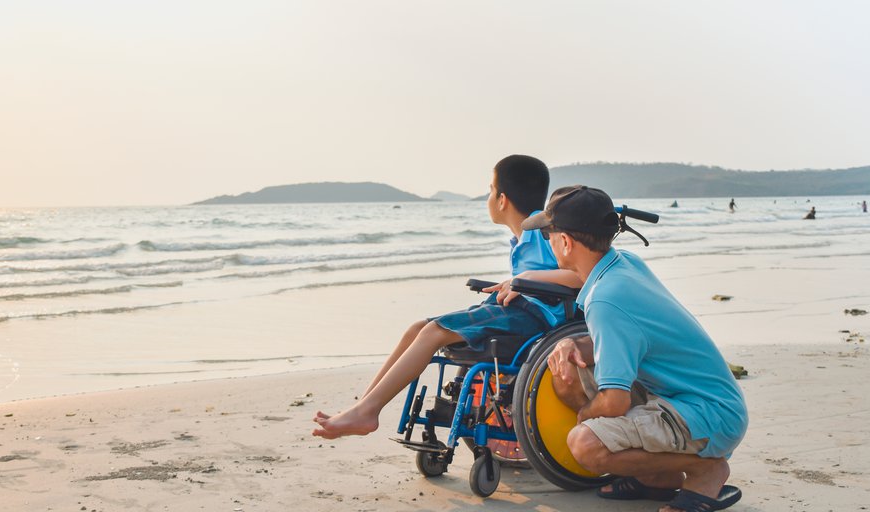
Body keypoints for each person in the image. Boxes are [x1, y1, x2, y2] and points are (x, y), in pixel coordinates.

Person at [311, 155, 583, 439]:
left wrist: (524, 280)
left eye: (490, 190)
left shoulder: (543, 234)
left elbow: (580, 276)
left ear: (502, 199)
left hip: (535, 319)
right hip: (517, 310)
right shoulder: (521, 239)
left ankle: (367, 412)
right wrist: (517, 281)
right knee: (417, 328)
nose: (488, 198)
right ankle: (364, 407)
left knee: (433, 332)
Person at [521, 185, 748, 512]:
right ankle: (658, 478)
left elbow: (615, 401)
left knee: (583, 445)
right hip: (694, 398)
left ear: (566, 242)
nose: (549, 241)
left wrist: (585, 419)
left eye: (548, 235)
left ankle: (705, 470)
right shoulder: (622, 264)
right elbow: (624, 334)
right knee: (568, 361)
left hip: (708, 413)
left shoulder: (606, 300)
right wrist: (574, 344)